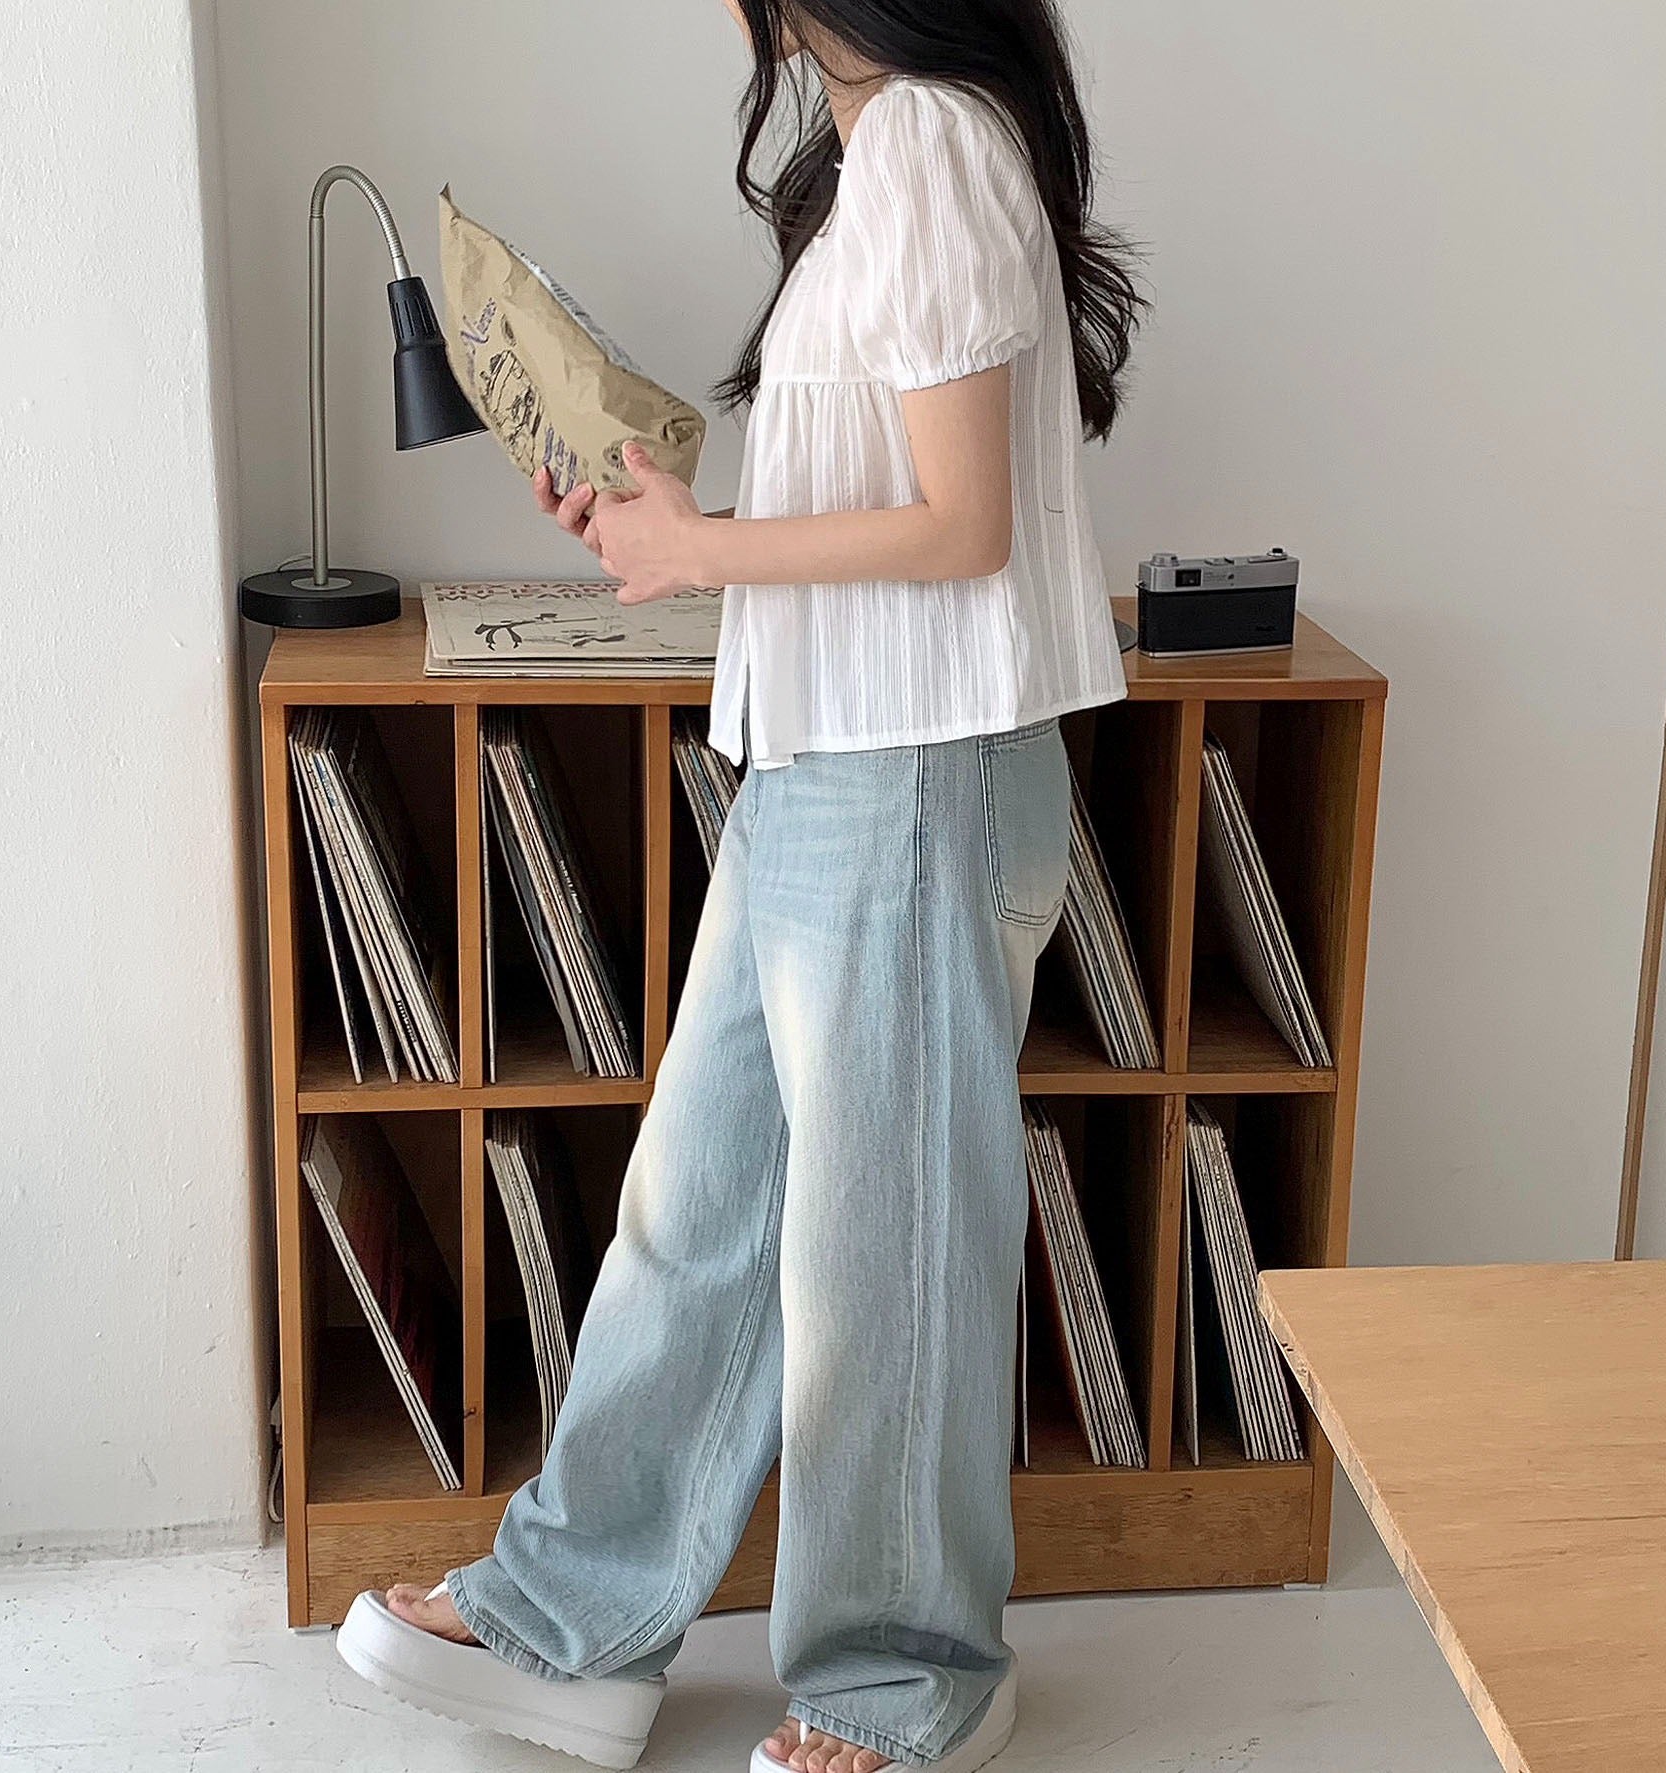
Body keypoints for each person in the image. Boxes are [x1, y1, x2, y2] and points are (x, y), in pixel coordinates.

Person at [333, 3, 1146, 1769]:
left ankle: (907, 1675)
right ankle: (574, 1615)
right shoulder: (874, 154)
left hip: (916, 770)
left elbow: (961, 524)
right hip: (826, 763)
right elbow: (886, 485)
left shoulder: (927, 134)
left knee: (880, 1259)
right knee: (697, 1211)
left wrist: (699, 552)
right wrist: (668, 523)